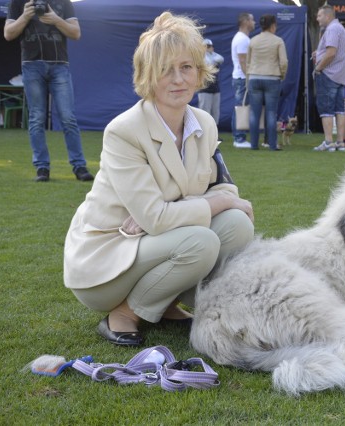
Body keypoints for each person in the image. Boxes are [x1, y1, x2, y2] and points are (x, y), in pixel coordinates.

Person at [63, 12, 255, 347]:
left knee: (237, 224)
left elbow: (222, 185)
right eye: (165, 69)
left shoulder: (204, 123)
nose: (178, 79)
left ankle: (164, 305)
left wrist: (197, 204)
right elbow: (162, 215)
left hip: (157, 241)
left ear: (199, 72)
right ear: (148, 76)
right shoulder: (124, 131)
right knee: (202, 239)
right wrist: (217, 202)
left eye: (186, 67)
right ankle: (125, 311)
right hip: (107, 258)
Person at [4, 0, 94, 182]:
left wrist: (55, 19)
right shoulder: (18, 3)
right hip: (31, 65)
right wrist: (25, 15)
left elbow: (76, 33)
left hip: (59, 65)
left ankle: (79, 167)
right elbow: (8, 34)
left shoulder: (64, 3)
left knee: (68, 117)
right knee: (36, 118)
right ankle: (42, 168)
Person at [312, 5, 345, 152]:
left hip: (329, 75)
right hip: (340, 76)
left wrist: (318, 67)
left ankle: (328, 142)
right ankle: (340, 143)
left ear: (328, 16)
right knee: (339, 110)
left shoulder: (332, 29)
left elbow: (331, 52)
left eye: (319, 15)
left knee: (326, 110)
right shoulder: (341, 29)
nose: (317, 18)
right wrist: (320, 52)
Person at [246, 14, 288, 151]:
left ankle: (253, 144)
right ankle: (271, 144)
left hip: (254, 77)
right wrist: (281, 75)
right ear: (273, 25)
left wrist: (249, 78)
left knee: (254, 113)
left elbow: (248, 62)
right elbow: (284, 62)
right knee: (271, 113)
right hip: (272, 78)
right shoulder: (278, 41)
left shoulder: (253, 40)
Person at [230, 12, 255, 149]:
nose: (254, 22)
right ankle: (239, 139)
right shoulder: (242, 39)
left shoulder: (243, 38)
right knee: (241, 109)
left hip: (240, 77)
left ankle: (238, 137)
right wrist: (248, 78)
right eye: (252, 20)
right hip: (242, 78)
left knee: (240, 108)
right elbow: (243, 61)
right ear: (245, 22)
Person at [197, 39, 224, 127]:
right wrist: (208, 54)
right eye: (208, 46)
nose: (210, 48)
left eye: (211, 46)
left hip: (215, 88)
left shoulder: (213, 55)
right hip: (204, 88)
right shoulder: (200, 57)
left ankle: (215, 135)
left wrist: (211, 54)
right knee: (205, 112)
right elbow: (208, 62)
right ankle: (204, 134)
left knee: (215, 112)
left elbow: (221, 59)